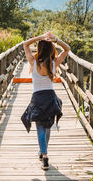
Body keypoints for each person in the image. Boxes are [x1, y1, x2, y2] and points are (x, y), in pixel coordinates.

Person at [20, 31, 69, 170]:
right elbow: (67, 49)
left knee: (40, 127)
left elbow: (25, 44)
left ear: (39, 48)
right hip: (50, 97)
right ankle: (43, 153)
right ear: (51, 48)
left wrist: (40, 38)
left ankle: (44, 155)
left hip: (38, 97)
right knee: (47, 125)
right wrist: (56, 40)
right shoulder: (54, 62)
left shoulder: (33, 62)